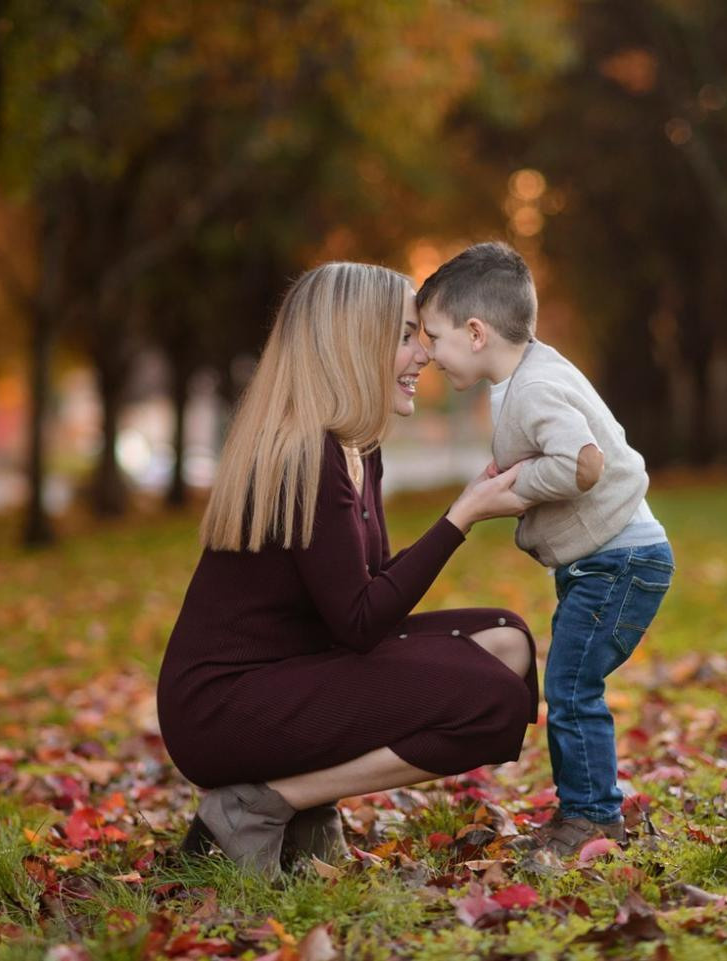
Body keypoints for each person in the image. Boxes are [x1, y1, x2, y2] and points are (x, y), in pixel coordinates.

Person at [157, 261, 539, 880]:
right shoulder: (305, 456)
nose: (424, 354)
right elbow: (361, 624)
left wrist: (465, 510)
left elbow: (366, 596)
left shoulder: (357, 448)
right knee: (491, 700)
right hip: (223, 708)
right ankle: (264, 805)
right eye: (406, 336)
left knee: (506, 640)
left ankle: (298, 810)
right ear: (351, 346)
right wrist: (459, 518)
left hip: (294, 674)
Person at [416, 242, 675, 857]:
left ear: (475, 333)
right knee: (569, 682)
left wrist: (515, 492)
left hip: (619, 562)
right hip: (606, 559)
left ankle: (592, 818)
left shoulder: (529, 388)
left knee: (570, 685)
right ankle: (586, 809)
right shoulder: (529, 372)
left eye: (433, 337)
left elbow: (583, 462)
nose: (426, 354)